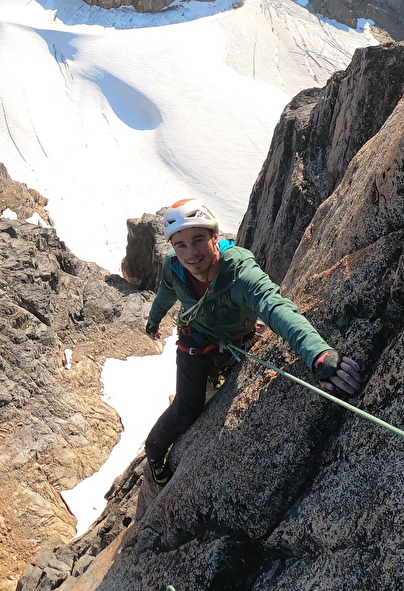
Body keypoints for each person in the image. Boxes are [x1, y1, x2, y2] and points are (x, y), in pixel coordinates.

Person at [143, 198, 362, 486]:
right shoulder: (174, 267)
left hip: (236, 339)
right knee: (187, 409)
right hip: (195, 341)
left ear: (215, 237)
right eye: (180, 244)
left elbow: (274, 307)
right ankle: (154, 452)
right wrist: (153, 320)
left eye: (198, 240)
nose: (190, 253)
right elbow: (165, 295)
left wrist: (317, 353)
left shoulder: (241, 272)